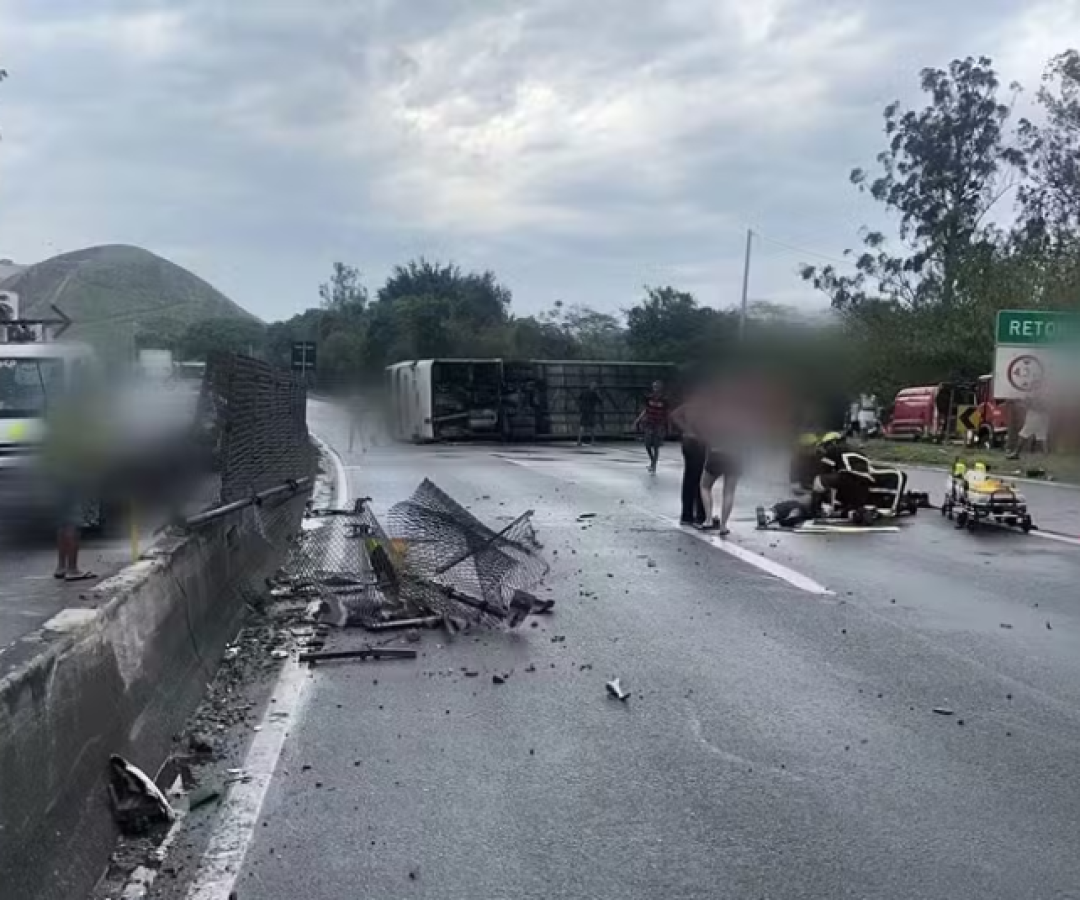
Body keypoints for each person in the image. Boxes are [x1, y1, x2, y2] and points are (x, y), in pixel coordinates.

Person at [634, 380, 669, 474]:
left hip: (659, 424)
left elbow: (666, 413)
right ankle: (652, 460)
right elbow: (646, 410)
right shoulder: (649, 398)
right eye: (654, 387)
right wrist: (639, 419)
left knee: (656, 446)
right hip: (649, 423)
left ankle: (654, 465)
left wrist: (665, 426)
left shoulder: (664, 399)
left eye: (657, 387)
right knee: (647, 444)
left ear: (660, 388)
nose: (655, 389)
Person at [576, 382, 601, 447]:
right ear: (594, 388)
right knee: (592, 427)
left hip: (584, 411)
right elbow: (600, 401)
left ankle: (579, 441)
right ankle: (592, 441)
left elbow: (579, 399)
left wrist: (580, 407)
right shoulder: (594, 393)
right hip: (591, 411)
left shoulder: (584, 392)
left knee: (582, 426)